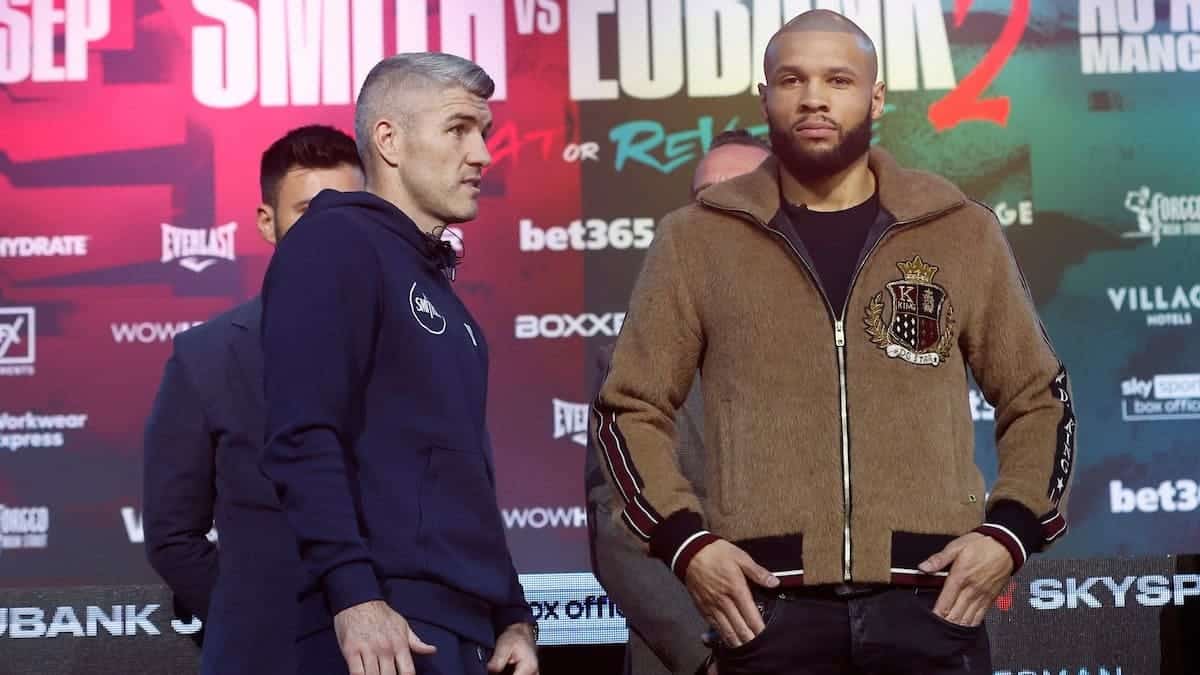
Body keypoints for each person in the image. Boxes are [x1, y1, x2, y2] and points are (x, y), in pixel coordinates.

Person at [592, 10, 1076, 675]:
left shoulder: (957, 230)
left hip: (931, 605)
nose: (814, 96)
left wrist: (1010, 533)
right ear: (765, 95)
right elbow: (630, 407)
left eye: (839, 79)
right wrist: (687, 544)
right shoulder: (696, 239)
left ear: (875, 97)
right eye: (791, 78)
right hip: (765, 610)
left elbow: (1039, 396)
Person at [259, 53, 538, 675]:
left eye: (484, 134)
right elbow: (303, 433)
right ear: (388, 139)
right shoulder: (333, 244)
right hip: (383, 624)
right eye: (459, 129)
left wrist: (511, 616)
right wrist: (354, 595)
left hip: (466, 629)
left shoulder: (442, 292)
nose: (483, 155)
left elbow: (468, 480)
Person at [143, 125, 365, 675]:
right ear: (268, 222)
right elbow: (173, 535)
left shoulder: (410, 342)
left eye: (351, 211)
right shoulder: (206, 355)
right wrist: (253, 620)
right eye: (311, 212)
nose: (332, 232)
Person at [584, 130, 771, 675]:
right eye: (702, 197)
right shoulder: (635, 355)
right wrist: (711, 655)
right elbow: (619, 527)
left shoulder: (848, 338)